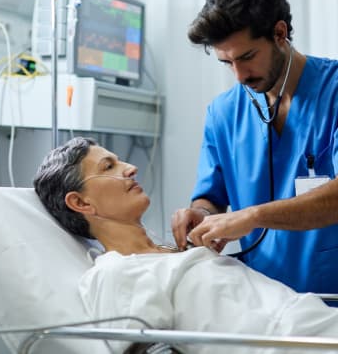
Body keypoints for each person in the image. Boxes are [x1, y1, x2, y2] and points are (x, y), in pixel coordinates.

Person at [33, 137, 338, 354]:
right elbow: (146, 348)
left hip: (317, 324)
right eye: (108, 166)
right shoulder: (117, 271)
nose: (129, 168)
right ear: (81, 202)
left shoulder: (174, 254)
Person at [171, 0, 338, 295]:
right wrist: (201, 215)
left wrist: (252, 216)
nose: (239, 75)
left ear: (280, 33)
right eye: (226, 62)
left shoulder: (332, 93)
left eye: (247, 57)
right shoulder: (223, 113)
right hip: (263, 301)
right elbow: (212, 196)